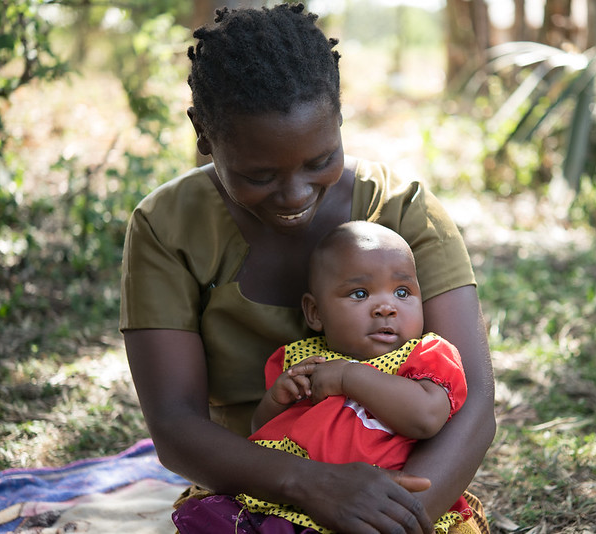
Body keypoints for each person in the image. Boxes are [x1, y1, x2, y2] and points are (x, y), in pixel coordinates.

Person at [120, 4, 496, 533]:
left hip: (401, 487)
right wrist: (311, 485)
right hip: (256, 485)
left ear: (339, 119)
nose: (295, 195)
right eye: (260, 173)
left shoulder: (403, 211)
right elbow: (176, 426)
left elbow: (475, 403)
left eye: (320, 161)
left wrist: (398, 520)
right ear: (203, 136)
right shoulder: (167, 228)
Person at [173, 221, 475, 533]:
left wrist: (348, 377)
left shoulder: (424, 355)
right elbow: (263, 435)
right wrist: (275, 401)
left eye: (402, 291)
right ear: (315, 312)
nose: (386, 307)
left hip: (375, 505)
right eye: (360, 293)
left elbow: (426, 418)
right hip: (294, 502)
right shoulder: (304, 359)